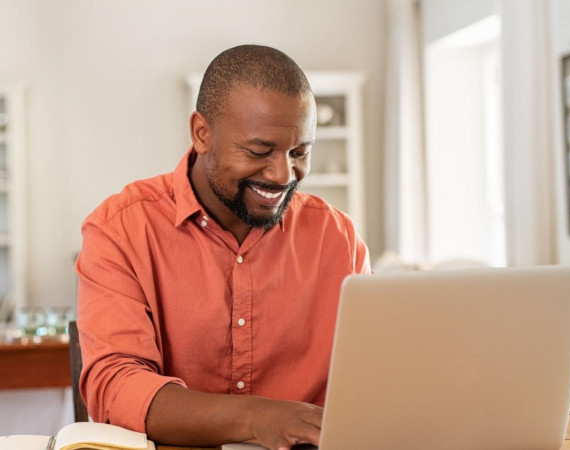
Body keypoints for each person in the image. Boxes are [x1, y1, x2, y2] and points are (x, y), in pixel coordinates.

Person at [76, 45, 371, 450]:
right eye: (259, 151)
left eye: (299, 152)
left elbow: (373, 377)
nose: (284, 174)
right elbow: (116, 385)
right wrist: (258, 418)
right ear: (202, 133)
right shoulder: (120, 229)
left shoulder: (338, 238)